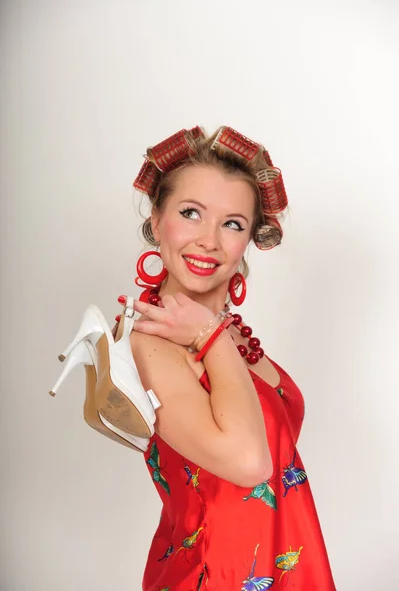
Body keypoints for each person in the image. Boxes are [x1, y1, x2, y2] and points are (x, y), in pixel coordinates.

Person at [113, 126, 336, 590]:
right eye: (190, 213)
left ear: (248, 240)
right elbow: (250, 464)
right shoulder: (148, 340)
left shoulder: (227, 338)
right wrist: (209, 335)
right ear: (157, 220)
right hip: (214, 576)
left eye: (232, 223)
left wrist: (211, 335)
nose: (209, 240)